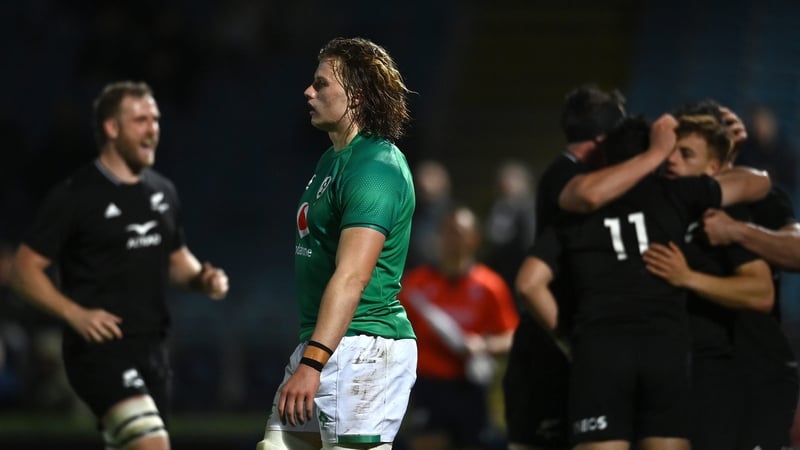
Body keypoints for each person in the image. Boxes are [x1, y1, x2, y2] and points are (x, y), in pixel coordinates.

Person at [9, 81, 229, 450]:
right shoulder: (75, 195)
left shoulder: (163, 191)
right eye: (141, 120)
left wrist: (202, 279)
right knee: (153, 445)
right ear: (112, 128)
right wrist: (74, 313)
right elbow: (23, 270)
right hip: (100, 352)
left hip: (153, 349)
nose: (153, 128)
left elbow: (175, 259)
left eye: (156, 119)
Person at [531, 115, 770, 450]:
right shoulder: (678, 196)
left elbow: (529, 283)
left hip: (601, 349)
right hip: (666, 350)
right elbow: (758, 182)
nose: (671, 160)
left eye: (684, 155)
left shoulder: (576, 208)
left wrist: (569, 337)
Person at [255, 37, 417, 450]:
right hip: (326, 344)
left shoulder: (376, 167)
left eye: (322, 84)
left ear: (357, 98)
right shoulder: (333, 160)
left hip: (363, 350)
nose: (309, 92)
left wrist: (312, 362)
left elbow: (352, 276)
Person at [640, 113, 774, 450]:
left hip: (713, 375)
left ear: (713, 171)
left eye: (686, 155)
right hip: (658, 370)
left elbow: (760, 293)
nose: (671, 160)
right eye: (671, 150)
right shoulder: (650, 208)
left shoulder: (725, 218)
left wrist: (688, 278)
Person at [685, 105, 800, 450]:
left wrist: (737, 232)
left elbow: (796, 250)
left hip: (756, 367)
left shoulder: (766, 198)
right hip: (693, 368)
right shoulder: (673, 198)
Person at [399, 206, 519, 450]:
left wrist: (484, 345)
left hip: (470, 384)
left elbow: (512, 335)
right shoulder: (416, 284)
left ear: (473, 239)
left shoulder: (489, 286)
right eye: (446, 233)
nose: (451, 240)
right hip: (429, 384)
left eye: (458, 232)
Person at [483, 160, 537, 289]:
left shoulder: (529, 208)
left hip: (520, 269)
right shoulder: (497, 207)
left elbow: (530, 240)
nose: (506, 184)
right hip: (499, 270)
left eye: (513, 179)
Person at [408, 160, 453, 269]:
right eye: (422, 179)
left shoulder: (452, 214)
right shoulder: (412, 211)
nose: (425, 184)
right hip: (414, 274)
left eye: (432, 179)